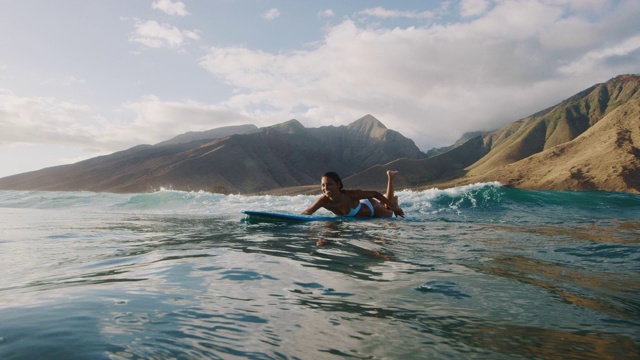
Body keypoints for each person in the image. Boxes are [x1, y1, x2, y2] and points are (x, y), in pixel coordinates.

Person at [302, 170, 404, 218]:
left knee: (389, 213)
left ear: (338, 185)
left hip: (372, 208)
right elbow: (307, 213)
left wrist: (395, 208)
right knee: (388, 207)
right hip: (359, 206)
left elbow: (375, 194)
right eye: (323, 185)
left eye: (329, 184)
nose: (325, 188)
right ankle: (393, 202)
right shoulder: (323, 201)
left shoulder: (350, 195)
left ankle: (390, 177)